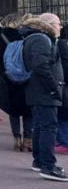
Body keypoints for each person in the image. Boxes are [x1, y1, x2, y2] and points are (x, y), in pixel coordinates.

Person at [21, 13, 66, 181]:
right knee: (48, 127)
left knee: (40, 125)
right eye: (58, 23)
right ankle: (48, 166)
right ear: (48, 24)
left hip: (38, 90)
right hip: (44, 91)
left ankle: (39, 161)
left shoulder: (36, 38)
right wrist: (54, 88)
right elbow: (40, 66)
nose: (60, 27)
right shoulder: (41, 39)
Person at [0, 13, 33, 152]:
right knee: (28, 111)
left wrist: (6, 72)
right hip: (26, 77)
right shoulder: (26, 35)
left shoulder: (2, 36)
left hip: (8, 78)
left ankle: (16, 139)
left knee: (13, 111)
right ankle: (28, 140)